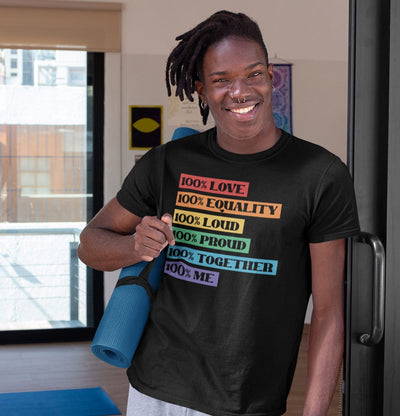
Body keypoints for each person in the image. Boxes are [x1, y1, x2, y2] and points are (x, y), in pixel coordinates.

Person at [78, 10, 360, 416]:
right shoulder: (165, 164)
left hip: (247, 398)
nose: (240, 91)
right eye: (221, 79)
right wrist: (134, 246)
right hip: (156, 388)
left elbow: (330, 311)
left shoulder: (319, 174)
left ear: (271, 77)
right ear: (201, 90)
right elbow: (90, 245)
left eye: (254, 74)